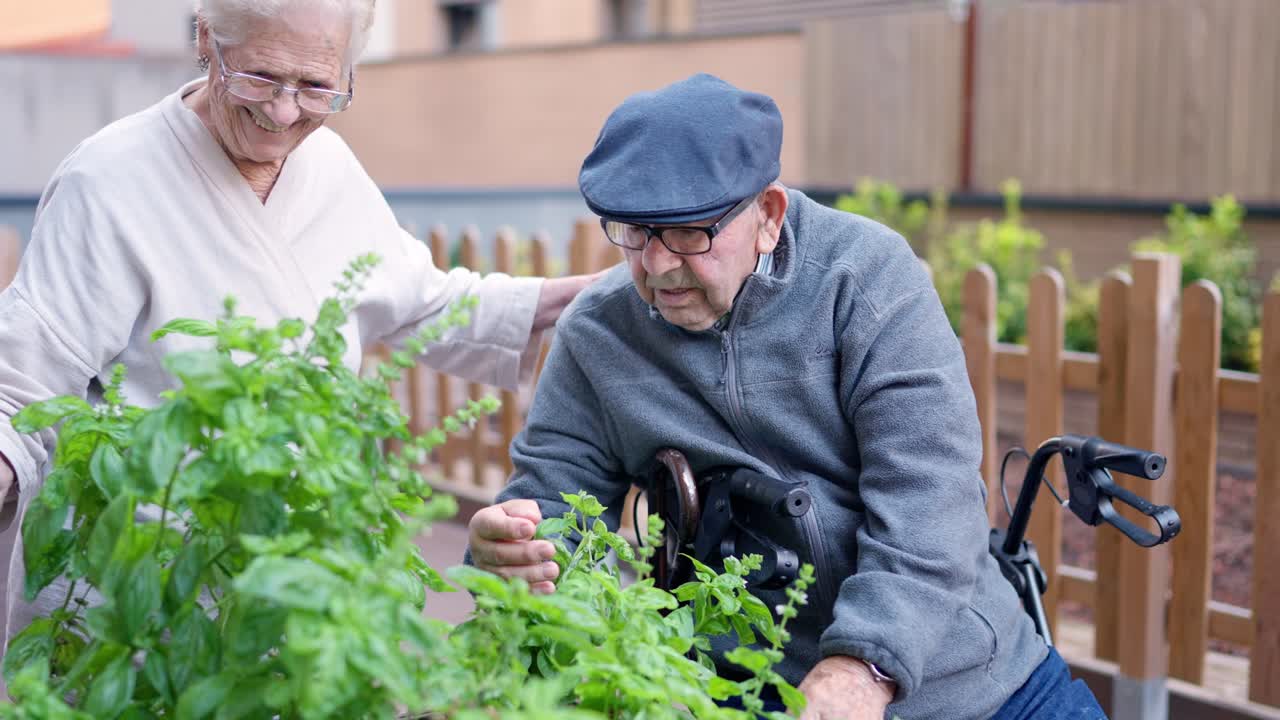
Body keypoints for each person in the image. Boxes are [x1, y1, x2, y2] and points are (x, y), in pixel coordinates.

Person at [466, 74, 1107, 719]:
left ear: (768, 215)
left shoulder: (865, 279)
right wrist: (513, 549)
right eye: (634, 231)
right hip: (744, 696)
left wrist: (866, 664)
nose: (657, 266)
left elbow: (929, 496)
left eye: (688, 233)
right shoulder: (599, 332)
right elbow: (551, 500)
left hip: (969, 686)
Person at [0, 0, 601, 653]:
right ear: (207, 41)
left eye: (317, 86)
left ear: (351, 73)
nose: (283, 113)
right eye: (259, 76)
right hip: (130, 587)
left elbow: (427, 302)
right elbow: (22, 385)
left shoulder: (331, 171)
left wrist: (591, 298)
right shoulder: (109, 179)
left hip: (285, 584)